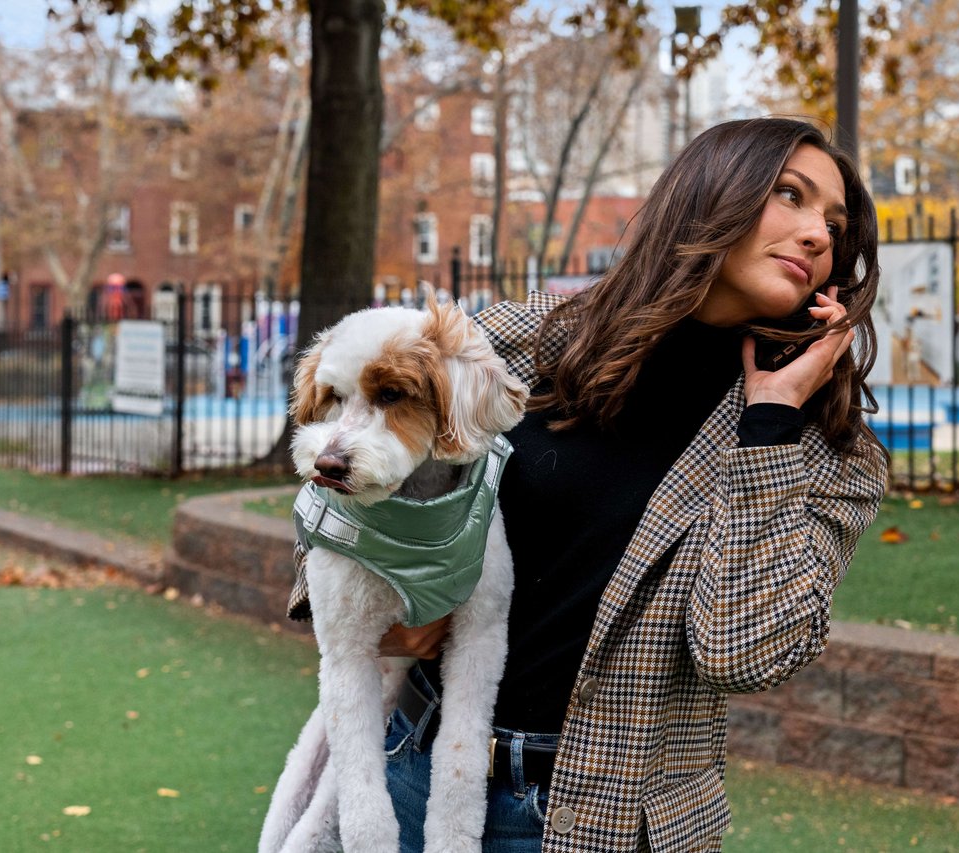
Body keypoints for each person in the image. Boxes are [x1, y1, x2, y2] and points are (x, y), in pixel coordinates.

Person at [380, 116, 889, 852]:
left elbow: (741, 651)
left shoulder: (829, 452)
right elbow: (350, 465)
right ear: (709, 195)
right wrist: (379, 597)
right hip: (421, 767)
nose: (817, 233)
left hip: (607, 819)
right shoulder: (521, 344)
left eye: (834, 224)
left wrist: (770, 423)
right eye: (790, 195)